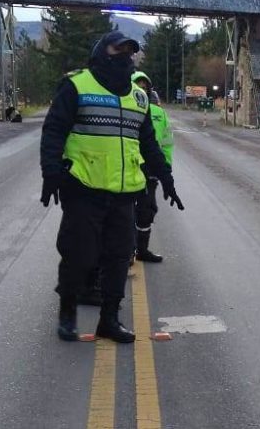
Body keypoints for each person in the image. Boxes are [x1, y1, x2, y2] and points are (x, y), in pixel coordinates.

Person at [40, 30, 185, 343]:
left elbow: (148, 144)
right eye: (118, 50)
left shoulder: (139, 98)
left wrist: (167, 179)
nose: (125, 57)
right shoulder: (77, 85)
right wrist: (51, 173)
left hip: (124, 194)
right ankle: (67, 313)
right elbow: (53, 131)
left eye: (130, 53)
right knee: (80, 256)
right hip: (83, 189)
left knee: (119, 258)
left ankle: (109, 319)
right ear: (101, 52)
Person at [129, 71, 173, 263]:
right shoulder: (125, 107)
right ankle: (127, 251)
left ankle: (142, 250)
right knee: (126, 211)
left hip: (152, 170)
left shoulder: (159, 113)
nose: (142, 89)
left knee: (147, 210)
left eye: (145, 86)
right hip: (129, 169)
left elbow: (167, 142)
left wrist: (166, 166)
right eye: (138, 85)